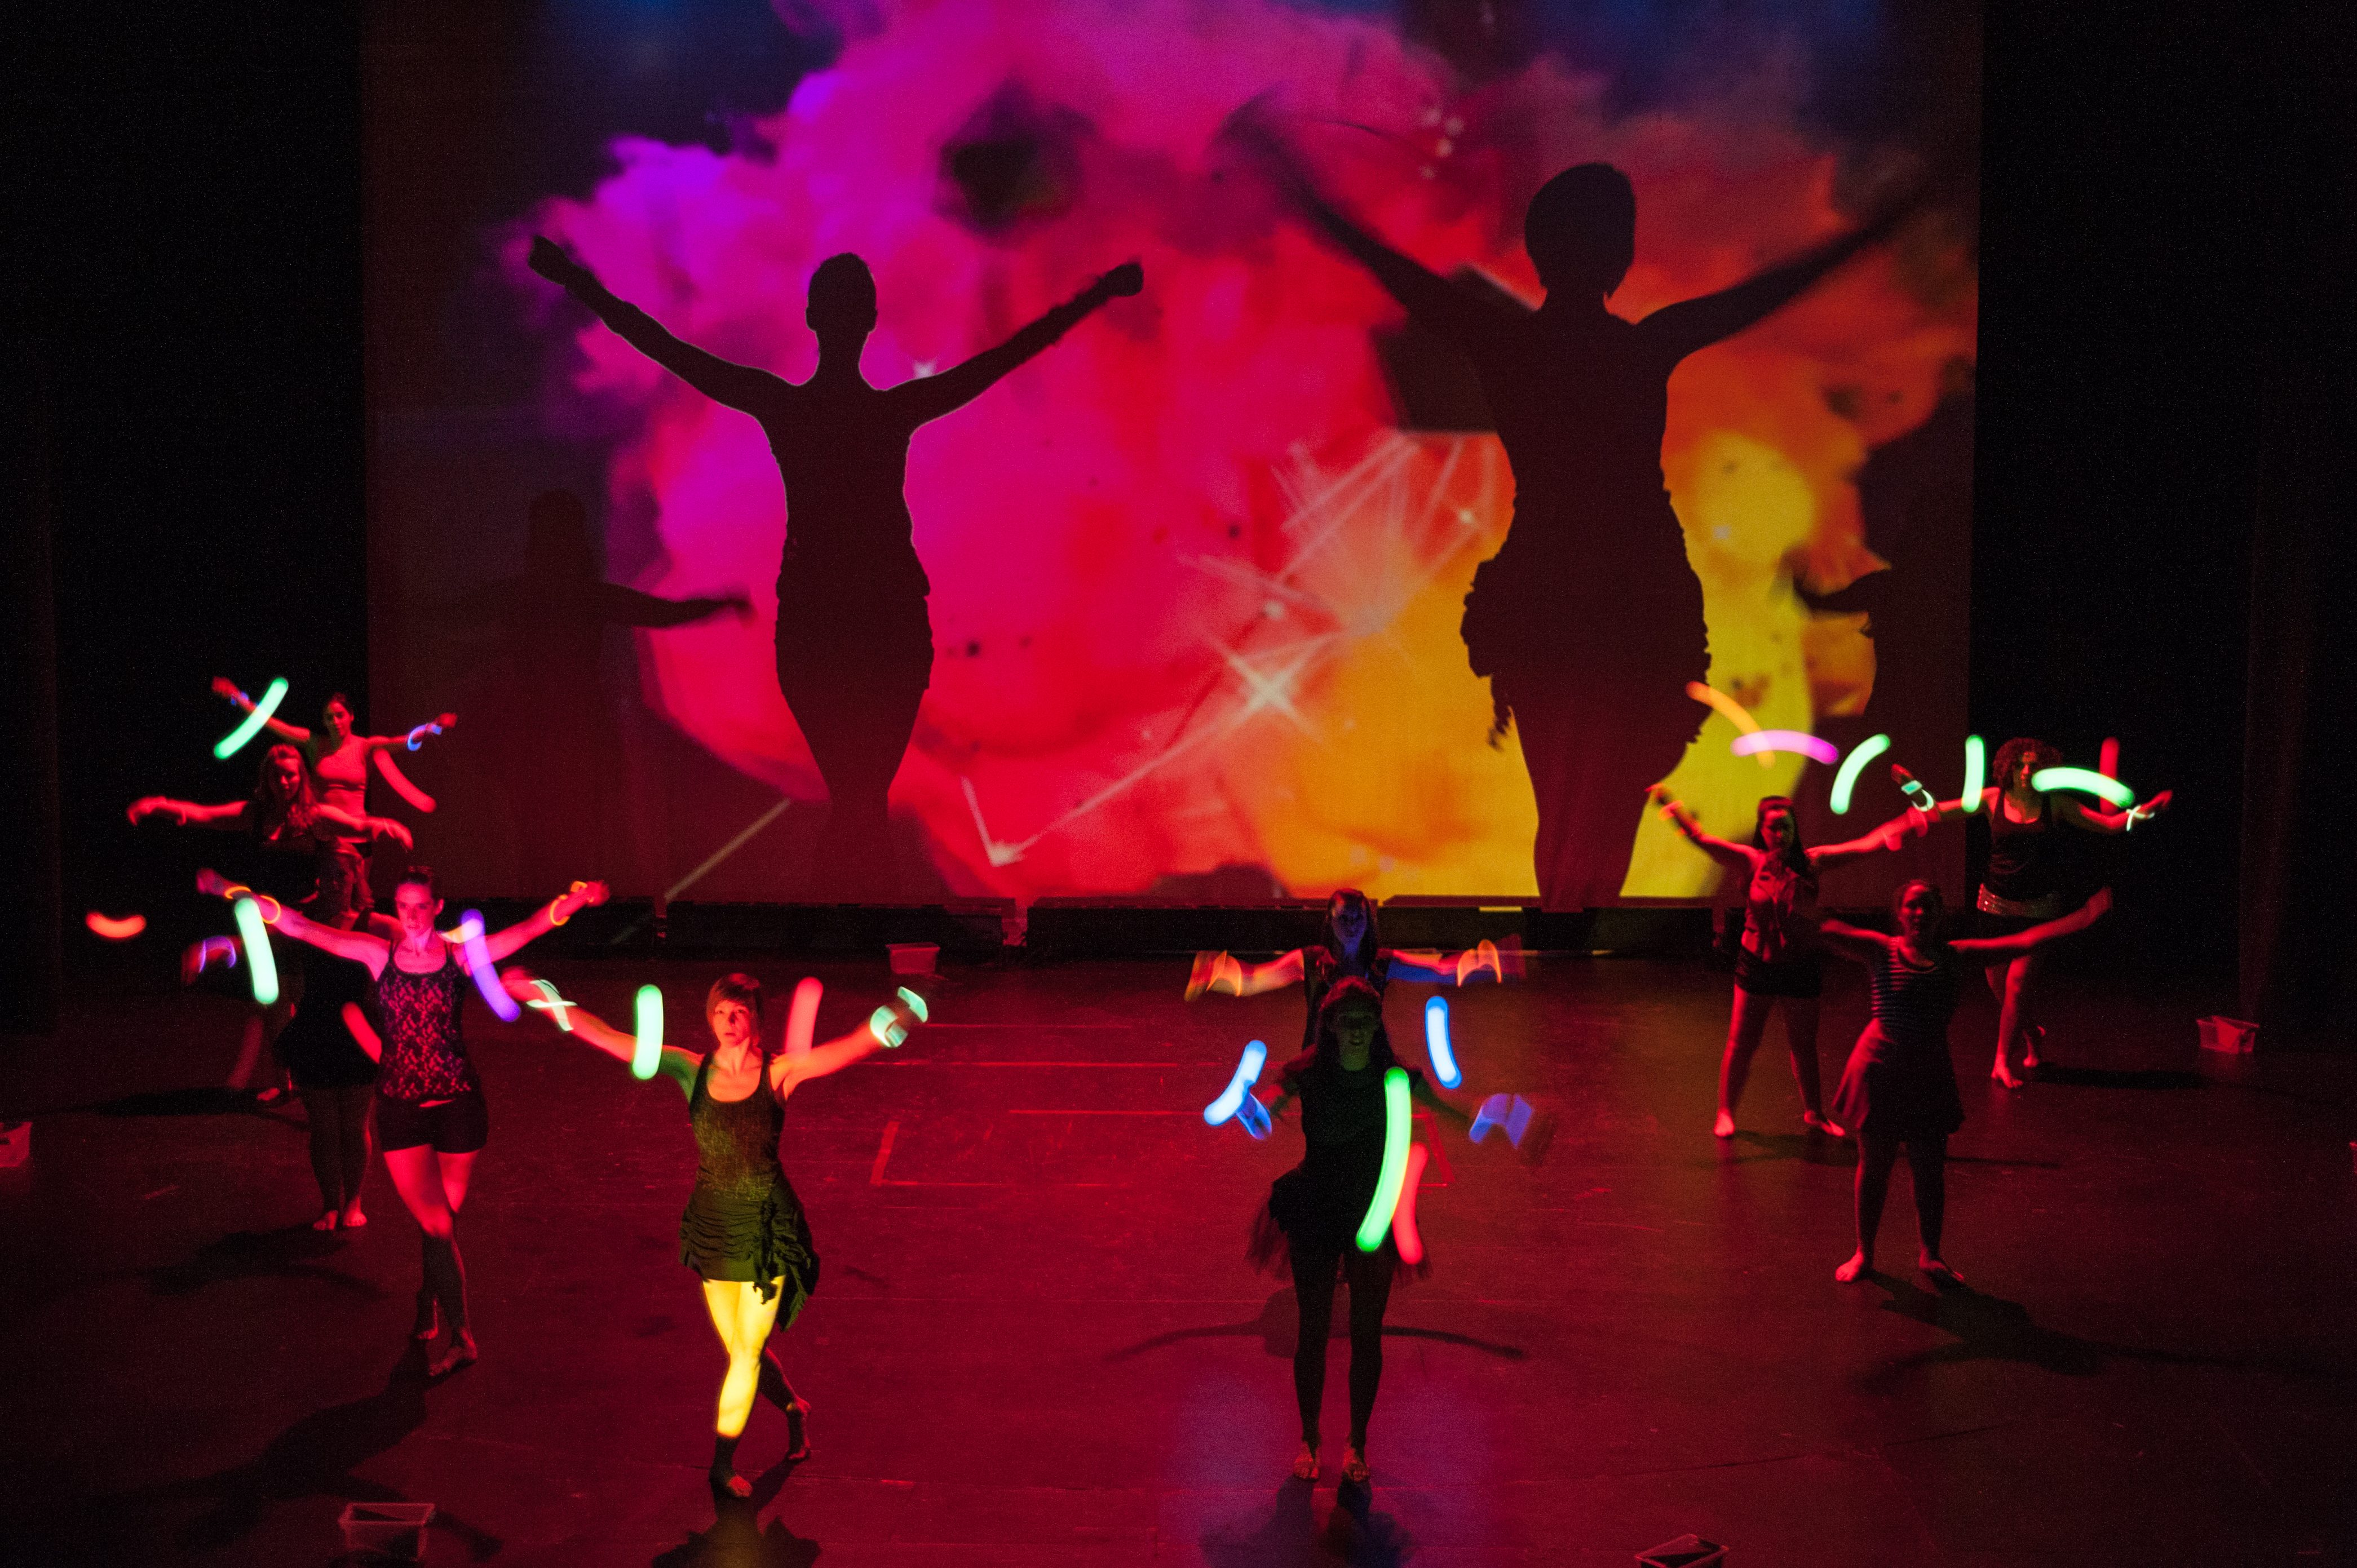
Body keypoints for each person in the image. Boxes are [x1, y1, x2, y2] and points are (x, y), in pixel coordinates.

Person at [1226, 109, 1923, 909]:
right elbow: (1763, 295)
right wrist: (1879, 228)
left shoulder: (1519, 342)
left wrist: (1297, 185)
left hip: (1565, 585)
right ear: (1610, 253)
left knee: (1566, 795)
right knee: (1600, 798)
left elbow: (1390, 269)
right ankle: (1571, 931)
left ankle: (1565, 930)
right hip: (1620, 588)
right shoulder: (1633, 345)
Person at [528, 236, 1143, 896]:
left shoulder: (795, 407)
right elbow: (1002, 360)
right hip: (874, 619)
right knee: (862, 792)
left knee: (858, 793)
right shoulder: (882, 410)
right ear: (864, 320)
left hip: (833, 620)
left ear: (816, 318)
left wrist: (577, 281)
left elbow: (664, 348)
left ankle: (848, 918)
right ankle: (861, 919)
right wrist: (1094, 296)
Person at [498, 966, 929, 1496]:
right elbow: (610, 1037)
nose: (728, 1021)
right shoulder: (688, 1069)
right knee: (743, 1352)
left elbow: (847, 1049)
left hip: (766, 1229)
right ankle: (794, 1409)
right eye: (720, 1012)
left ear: (756, 1020)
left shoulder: (780, 1072)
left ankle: (721, 1464)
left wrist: (896, 1017)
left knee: (746, 1354)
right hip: (714, 1224)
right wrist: (545, 999)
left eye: (738, 1012)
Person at [213, 865, 607, 1375]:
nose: (413, 916)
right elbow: (304, 928)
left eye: (421, 906)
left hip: (459, 1107)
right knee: (437, 1225)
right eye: (404, 907)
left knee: (439, 1226)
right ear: (395, 909)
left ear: (437, 907)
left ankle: (428, 1297)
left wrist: (576, 901)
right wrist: (234, 891)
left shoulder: (460, 957)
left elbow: (527, 930)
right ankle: (463, 1336)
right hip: (401, 1110)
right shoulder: (378, 955)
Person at [1814, 881, 2111, 1287]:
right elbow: (1826, 930)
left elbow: (2023, 940)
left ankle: (1930, 1255)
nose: (1920, 914)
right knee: (1874, 1167)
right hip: (1881, 1068)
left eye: (1928, 907)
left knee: (1929, 1169)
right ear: (1899, 913)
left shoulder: (1955, 957)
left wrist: (2082, 918)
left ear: (1940, 915)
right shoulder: (1882, 950)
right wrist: (1782, 897)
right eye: (1912, 906)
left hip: (1927, 1071)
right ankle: (1864, 1252)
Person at [1244, 977, 1470, 1486]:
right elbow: (1272, 1098)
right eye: (1347, 1022)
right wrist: (1257, 1109)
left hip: (1373, 1210)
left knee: (1368, 1333)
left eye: (1366, 1022)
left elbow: (1454, 1112)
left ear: (1376, 1026)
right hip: (1316, 1207)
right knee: (1313, 1330)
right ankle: (1309, 1439)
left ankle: (1357, 1443)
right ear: (1329, 1025)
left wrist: (1503, 1121)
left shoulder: (1396, 1078)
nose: (1357, 1032)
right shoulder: (1308, 1074)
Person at [129, 742, 412, 1141]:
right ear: (268, 777)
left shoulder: (315, 817)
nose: (285, 781)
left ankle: (324, 1075)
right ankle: (286, 1081)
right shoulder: (256, 814)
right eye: (278, 774)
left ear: (301, 777)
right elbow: (206, 815)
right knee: (273, 1003)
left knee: (309, 1002)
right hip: (267, 922)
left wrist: (389, 827)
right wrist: (159, 805)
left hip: (308, 922)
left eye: (291, 774)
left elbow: (358, 826)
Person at [1650, 788, 1909, 1137]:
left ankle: (1815, 1113)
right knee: (1742, 1043)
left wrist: (1906, 821)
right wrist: (1671, 808)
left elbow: (1866, 845)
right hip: (1757, 965)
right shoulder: (1750, 861)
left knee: (1804, 1046)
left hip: (1800, 965)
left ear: (1794, 829)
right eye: (1773, 827)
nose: (1780, 834)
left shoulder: (1813, 862)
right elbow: (1702, 839)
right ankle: (1726, 1112)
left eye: (1786, 827)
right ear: (1762, 830)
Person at [1916, 738, 2170, 1085]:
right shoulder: (1992, 799)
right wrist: (1912, 788)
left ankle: (2001, 1062)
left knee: (2017, 988)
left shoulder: (2057, 804)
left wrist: (2148, 810)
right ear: (2008, 767)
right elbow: (1938, 811)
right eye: (2020, 764)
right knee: (2000, 990)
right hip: (1993, 908)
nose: (2026, 771)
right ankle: (2032, 1033)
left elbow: (2109, 824)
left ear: (2045, 770)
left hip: (2038, 912)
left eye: (2033, 765)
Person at [209, 682, 456, 930]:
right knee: (330, 909)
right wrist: (239, 698)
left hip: (357, 839)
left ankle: (368, 945)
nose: (335, 721)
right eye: (329, 717)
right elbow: (273, 724)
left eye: (339, 715)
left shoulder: (365, 746)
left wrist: (431, 728)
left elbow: (404, 742)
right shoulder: (316, 744)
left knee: (358, 908)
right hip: (327, 839)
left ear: (351, 716)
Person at [1184, 888, 1513, 1053]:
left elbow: (1439, 970)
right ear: (1330, 920)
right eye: (1344, 918)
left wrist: (1487, 961)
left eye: (1358, 918)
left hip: (1368, 1061)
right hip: (1322, 1062)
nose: (1352, 925)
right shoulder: (1310, 961)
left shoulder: (1381, 962)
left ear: (1368, 921)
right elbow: (1254, 980)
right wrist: (1214, 973)